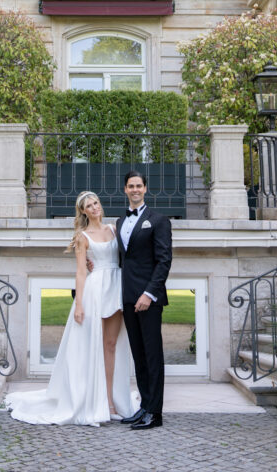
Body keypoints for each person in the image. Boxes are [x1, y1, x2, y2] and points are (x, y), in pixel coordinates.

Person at [6, 190, 135, 427]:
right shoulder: (83, 237)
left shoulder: (115, 229)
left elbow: (129, 256)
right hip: (96, 290)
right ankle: (99, 402)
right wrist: (79, 304)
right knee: (93, 344)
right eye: (89, 205)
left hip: (116, 287)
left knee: (111, 344)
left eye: (96, 202)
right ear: (83, 211)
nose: (95, 207)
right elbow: (80, 271)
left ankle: (112, 400)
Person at [117, 170, 172, 430]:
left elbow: (164, 261)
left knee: (152, 356)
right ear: (125, 190)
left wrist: (149, 294)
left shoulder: (159, 221)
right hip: (128, 297)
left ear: (145, 189)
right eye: (131, 186)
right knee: (138, 356)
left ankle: (155, 413)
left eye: (139, 185)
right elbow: (123, 260)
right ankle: (144, 407)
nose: (135, 189)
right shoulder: (120, 222)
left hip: (148, 299)